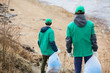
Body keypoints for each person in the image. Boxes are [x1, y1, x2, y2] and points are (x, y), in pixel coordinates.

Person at [66, 5, 98, 73]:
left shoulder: (70, 26)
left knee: (77, 70)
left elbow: (68, 40)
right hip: (88, 51)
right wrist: (95, 50)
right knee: (89, 70)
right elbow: (93, 38)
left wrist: (69, 51)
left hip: (77, 52)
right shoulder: (90, 24)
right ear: (84, 13)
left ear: (76, 13)